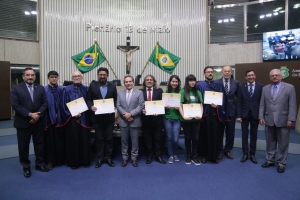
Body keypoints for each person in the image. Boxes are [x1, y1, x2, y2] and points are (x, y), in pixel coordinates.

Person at [10, 67, 49, 178]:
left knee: (39, 144)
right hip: (23, 122)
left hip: (38, 121)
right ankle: (26, 167)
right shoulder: (16, 88)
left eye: (32, 75)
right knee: (23, 146)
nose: (30, 77)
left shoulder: (40, 88)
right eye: (28, 75)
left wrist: (38, 115)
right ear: (23, 76)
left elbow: (45, 103)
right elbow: (15, 104)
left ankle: (40, 164)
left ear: (35, 76)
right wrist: (30, 114)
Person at [259, 69, 297, 173]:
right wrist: (261, 117)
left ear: (281, 76)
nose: (274, 77)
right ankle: (270, 160)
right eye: (272, 75)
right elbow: (262, 104)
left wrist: (291, 118)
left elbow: (292, 104)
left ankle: (281, 163)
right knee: (270, 142)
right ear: (270, 77)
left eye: (277, 75)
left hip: (283, 120)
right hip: (269, 119)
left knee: (283, 143)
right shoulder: (265, 88)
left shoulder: (289, 88)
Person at [57, 71, 91, 169]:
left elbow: (89, 103)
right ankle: (74, 162)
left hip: (84, 118)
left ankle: (85, 161)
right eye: (74, 76)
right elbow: (62, 105)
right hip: (71, 120)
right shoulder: (66, 89)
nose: (77, 77)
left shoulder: (86, 89)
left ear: (82, 77)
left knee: (84, 140)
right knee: (73, 141)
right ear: (72, 78)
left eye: (78, 76)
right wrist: (72, 113)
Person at [86, 67, 117, 168]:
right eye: (100, 75)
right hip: (97, 118)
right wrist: (91, 107)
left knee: (109, 138)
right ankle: (100, 158)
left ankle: (108, 157)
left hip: (109, 118)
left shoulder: (113, 86)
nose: (102, 76)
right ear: (98, 75)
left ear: (107, 76)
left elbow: (116, 100)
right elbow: (89, 99)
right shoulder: (93, 85)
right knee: (99, 138)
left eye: (104, 75)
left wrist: (114, 106)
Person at [197, 67, 228, 163]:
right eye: (208, 72)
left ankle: (214, 155)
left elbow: (224, 100)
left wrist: (217, 107)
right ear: (204, 74)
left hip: (215, 114)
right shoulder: (199, 85)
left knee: (216, 135)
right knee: (204, 135)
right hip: (205, 113)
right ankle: (204, 155)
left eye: (211, 72)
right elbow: (196, 99)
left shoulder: (219, 85)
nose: (210, 73)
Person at [116, 75, 144, 167]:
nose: (128, 83)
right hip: (124, 121)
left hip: (134, 120)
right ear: (124, 83)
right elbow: (118, 105)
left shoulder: (139, 93)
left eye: (130, 81)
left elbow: (141, 105)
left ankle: (134, 158)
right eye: (126, 82)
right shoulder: (120, 93)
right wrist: (125, 114)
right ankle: (124, 158)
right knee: (124, 141)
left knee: (135, 142)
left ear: (133, 82)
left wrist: (131, 114)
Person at [236, 70, 264, 164]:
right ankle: (245, 154)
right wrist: (238, 115)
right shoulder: (241, 87)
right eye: (249, 75)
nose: (250, 77)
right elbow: (239, 102)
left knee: (254, 135)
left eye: (252, 75)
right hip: (244, 114)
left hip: (255, 114)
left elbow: (262, 103)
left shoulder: (261, 86)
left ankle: (252, 154)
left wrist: (261, 116)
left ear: (255, 76)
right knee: (244, 135)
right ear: (246, 77)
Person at [141, 75, 166, 164]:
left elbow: (162, 104)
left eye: (151, 80)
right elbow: (138, 104)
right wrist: (142, 110)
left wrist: (159, 111)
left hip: (157, 119)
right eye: (147, 80)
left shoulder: (159, 91)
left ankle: (158, 156)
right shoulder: (141, 92)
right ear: (144, 82)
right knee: (147, 139)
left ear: (154, 82)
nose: (149, 81)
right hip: (145, 119)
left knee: (157, 138)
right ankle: (149, 156)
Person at [179, 75, 203, 165]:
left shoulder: (198, 92)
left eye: (194, 81)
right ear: (187, 82)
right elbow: (180, 106)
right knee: (188, 138)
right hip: (186, 120)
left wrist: (200, 115)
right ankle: (188, 155)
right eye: (190, 81)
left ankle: (194, 155)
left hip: (196, 119)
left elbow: (201, 105)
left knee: (196, 138)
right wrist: (184, 116)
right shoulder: (182, 92)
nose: (192, 82)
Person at [44, 71, 65, 169]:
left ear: (58, 78)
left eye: (56, 77)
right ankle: (50, 161)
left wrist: (59, 114)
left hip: (61, 120)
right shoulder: (44, 90)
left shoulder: (62, 89)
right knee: (49, 141)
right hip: (48, 119)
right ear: (48, 78)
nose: (54, 79)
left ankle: (61, 160)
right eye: (52, 77)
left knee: (61, 140)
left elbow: (65, 103)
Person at [217, 65, 239, 160]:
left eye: (228, 71)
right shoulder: (216, 82)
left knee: (230, 132)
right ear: (222, 72)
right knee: (219, 132)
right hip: (220, 111)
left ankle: (228, 150)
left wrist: (238, 114)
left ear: (231, 72)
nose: (226, 73)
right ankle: (220, 150)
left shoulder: (236, 83)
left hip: (231, 111)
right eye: (225, 71)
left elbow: (239, 98)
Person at [164, 75, 181, 164]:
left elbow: (184, 105)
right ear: (170, 82)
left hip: (177, 119)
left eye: (176, 82)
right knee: (169, 137)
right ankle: (170, 155)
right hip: (167, 118)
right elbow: (160, 107)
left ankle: (175, 154)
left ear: (178, 83)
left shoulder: (181, 93)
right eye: (173, 81)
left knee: (175, 138)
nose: (174, 83)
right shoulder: (165, 93)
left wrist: (180, 108)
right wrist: (165, 107)